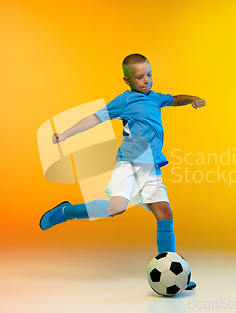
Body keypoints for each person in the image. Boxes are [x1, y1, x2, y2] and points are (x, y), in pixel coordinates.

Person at [39, 53, 206, 291]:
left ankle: (174, 270)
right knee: (116, 208)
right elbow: (94, 119)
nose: (146, 80)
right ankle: (68, 211)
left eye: (149, 74)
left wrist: (193, 99)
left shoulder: (156, 98)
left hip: (151, 167)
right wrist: (65, 134)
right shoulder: (124, 101)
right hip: (128, 163)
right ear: (127, 81)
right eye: (139, 77)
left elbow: (176, 99)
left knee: (164, 212)